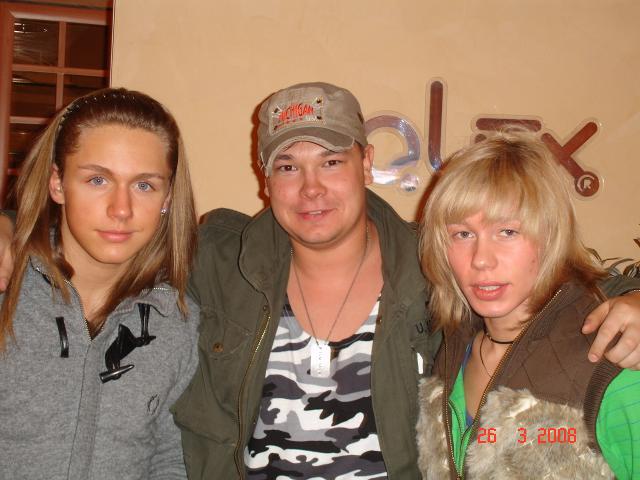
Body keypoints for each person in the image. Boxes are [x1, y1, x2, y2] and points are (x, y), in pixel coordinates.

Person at [0, 82, 639, 479]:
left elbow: (544, 275)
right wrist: (10, 228)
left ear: (365, 162)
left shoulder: (435, 262)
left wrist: (632, 296)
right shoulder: (217, 260)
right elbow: (119, 245)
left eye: (331, 161)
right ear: (264, 180)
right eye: (288, 166)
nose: (311, 189)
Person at [0, 87, 200, 479]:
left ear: (167, 198)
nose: (121, 209)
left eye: (144, 185)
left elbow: (168, 457)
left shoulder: (177, 321)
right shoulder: (9, 292)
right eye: (97, 180)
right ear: (58, 183)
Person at [416, 129, 640, 479]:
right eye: (463, 234)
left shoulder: (614, 359)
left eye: (508, 231)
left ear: (550, 236)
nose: (481, 259)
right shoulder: (452, 346)